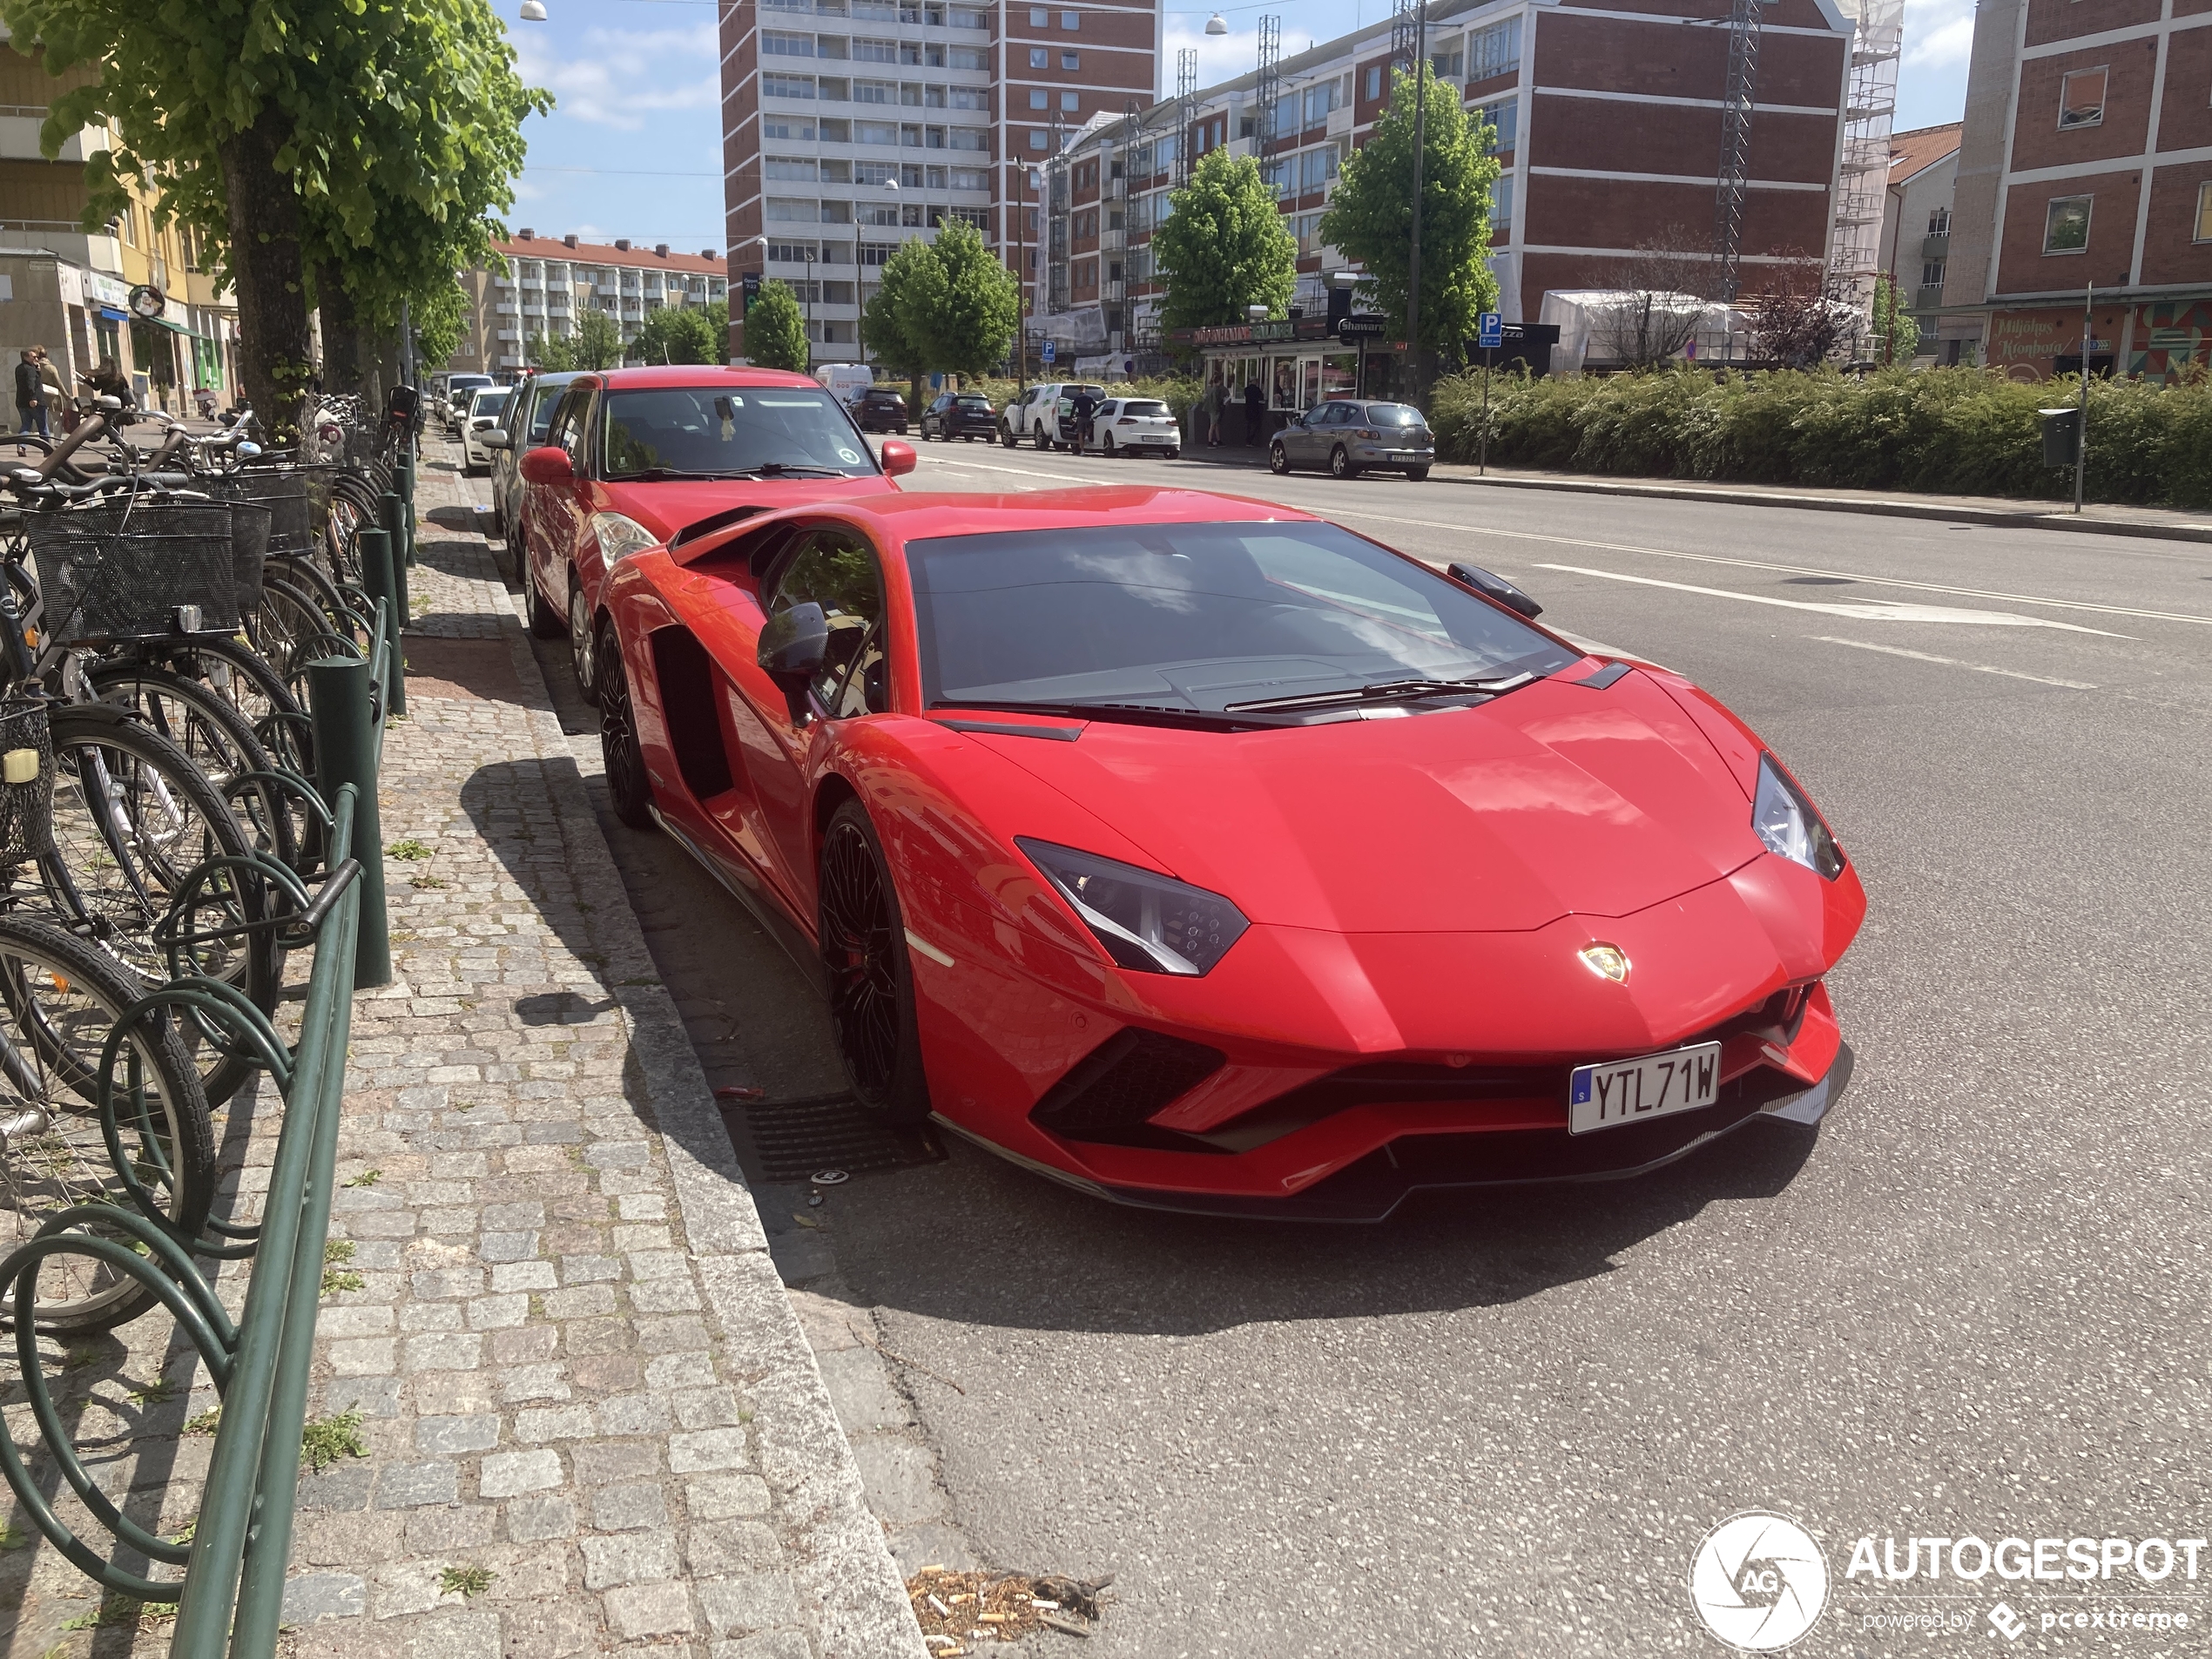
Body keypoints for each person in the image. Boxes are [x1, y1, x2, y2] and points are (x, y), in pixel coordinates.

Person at [13, 347, 48, 438]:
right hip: (35, 402)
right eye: (34, 357)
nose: (37, 359)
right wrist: (33, 398)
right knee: (43, 427)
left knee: (26, 425)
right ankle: (48, 449)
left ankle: (21, 446)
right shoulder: (30, 369)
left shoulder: (19, 368)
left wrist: (38, 370)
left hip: (22, 402)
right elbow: (31, 384)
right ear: (26, 357)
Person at [1069, 386, 1097, 454]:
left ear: (1079, 390)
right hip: (1088, 416)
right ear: (1085, 389)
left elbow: (1073, 408)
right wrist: (1092, 412)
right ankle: (1087, 435)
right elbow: (1096, 406)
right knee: (1090, 426)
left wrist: (1071, 417)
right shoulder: (1090, 397)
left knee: (1080, 433)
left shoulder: (1077, 398)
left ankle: (1082, 450)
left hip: (1080, 417)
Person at [1244, 378, 1264, 447]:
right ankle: (1251, 440)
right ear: (1254, 381)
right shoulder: (1257, 389)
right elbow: (1261, 397)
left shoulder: (1246, 389)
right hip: (1255, 409)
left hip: (1248, 409)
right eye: (1256, 381)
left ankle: (1247, 440)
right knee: (1255, 425)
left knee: (1248, 425)